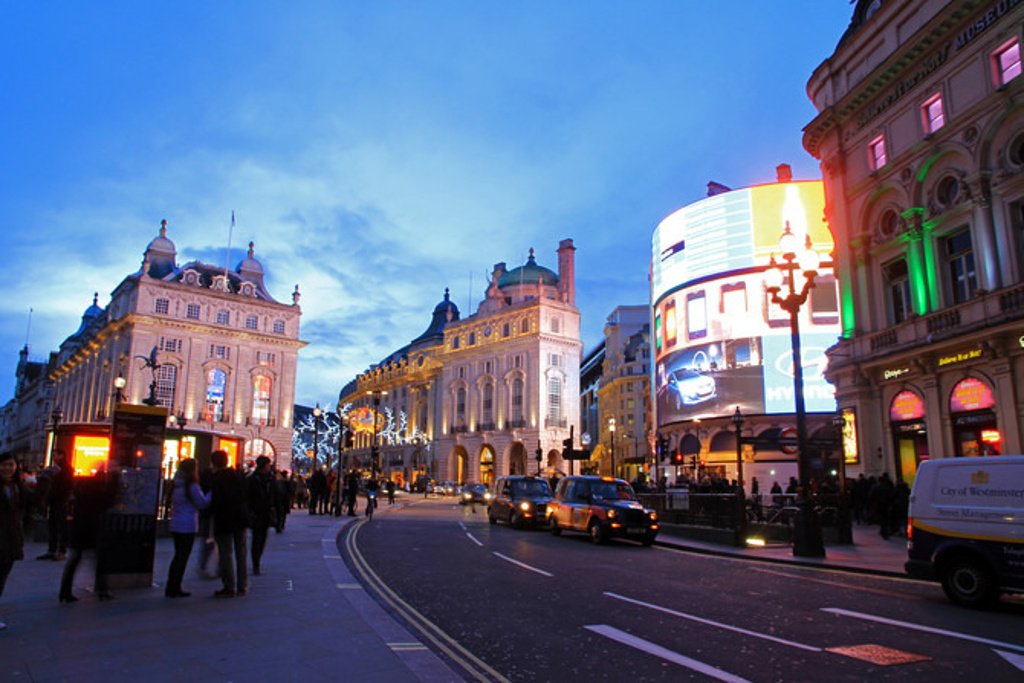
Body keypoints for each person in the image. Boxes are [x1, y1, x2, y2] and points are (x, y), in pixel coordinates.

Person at [59, 466, 118, 603]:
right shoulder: (97, 492)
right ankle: (103, 590)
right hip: (91, 529)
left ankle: (65, 591)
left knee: (75, 559)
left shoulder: (83, 490)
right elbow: (108, 501)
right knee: (98, 560)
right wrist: (115, 481)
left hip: (79, 528)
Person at [165, 459, 210, 598]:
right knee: (182, 557)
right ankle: (175, 586)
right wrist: (210, 494)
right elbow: (202, 503)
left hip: (176, 523)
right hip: (188, 524)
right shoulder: (192, 486)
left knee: (178, 555)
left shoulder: (176, 485)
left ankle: (171, 585)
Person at [209, 450, 248, 597]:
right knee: (241, 552)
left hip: (224, 519)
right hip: (240, 518)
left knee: (225, 553)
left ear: (214, 462)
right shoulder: (238, 475)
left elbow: (214, 500)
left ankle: (229, 586)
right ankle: (242, 585)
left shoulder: (216, 478)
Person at [1, 453, 31, 630]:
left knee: (2, 577)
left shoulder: (18, 487)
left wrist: (45, 481)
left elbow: (35, 502)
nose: (7, 469)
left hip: (11, 538)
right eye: (3, 465)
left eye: (10, 465)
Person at [37, 450, 73, 562]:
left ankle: (61, 551)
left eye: (55, 455)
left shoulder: (66, 469)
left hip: (61, 501)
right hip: (53, 500)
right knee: (52, 525)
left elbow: (68, 485)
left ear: (62, 455)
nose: (53, 457)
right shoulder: (55, 469)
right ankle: (52, 550)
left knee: (61, 526)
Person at [246, 455, 276, 576]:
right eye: (268, 464)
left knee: (262, 539)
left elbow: (274, 494)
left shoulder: (270, 478)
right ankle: (256, 563)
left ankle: (257, 560)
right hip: (256, 512)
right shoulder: (253, 479)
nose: (269, 466)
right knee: (256, 539)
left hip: (266, 512)